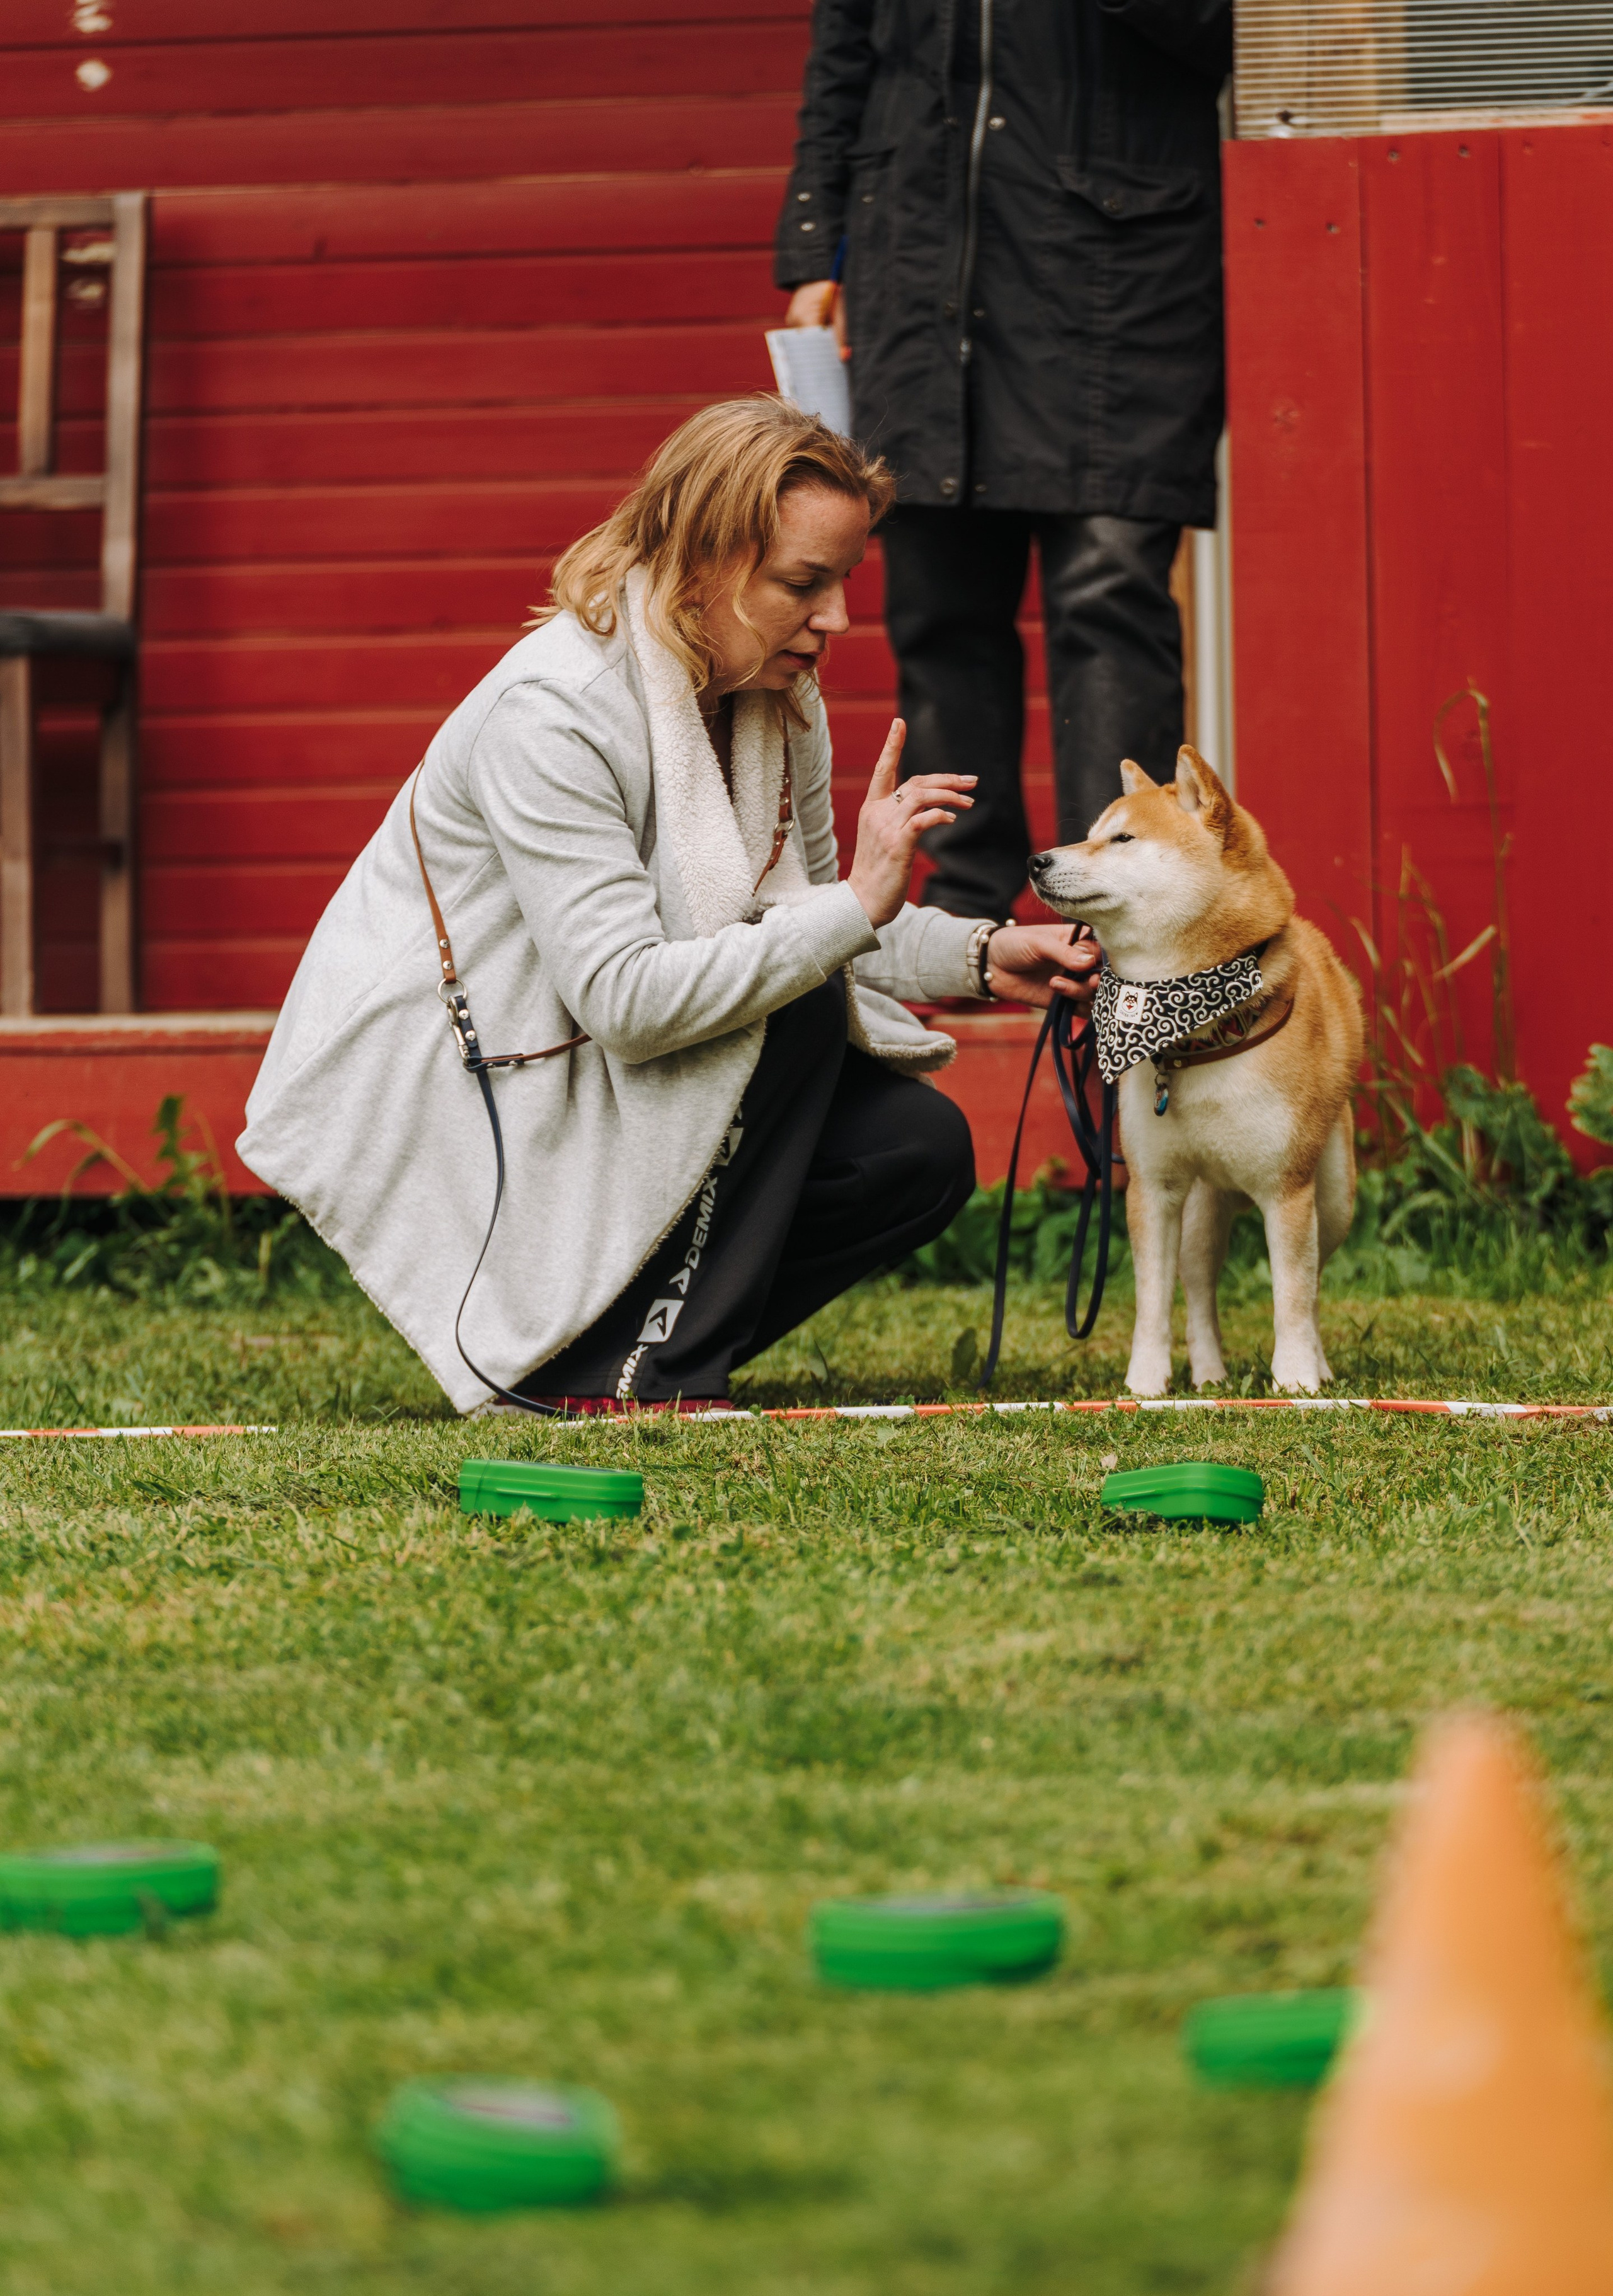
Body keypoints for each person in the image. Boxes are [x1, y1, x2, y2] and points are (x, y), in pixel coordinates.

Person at [239, 398, 1094, 1416]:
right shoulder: (553, 713)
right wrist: (853, 904)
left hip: (598, 1057)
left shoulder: (775, 697)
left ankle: (608, 1358)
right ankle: (640, 1372)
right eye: (802, 584)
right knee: (797, 1007)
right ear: (702, 563)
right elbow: (631, 1001)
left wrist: (985, 955)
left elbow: (824, 922)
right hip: (469, 1083)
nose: (836, 620)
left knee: (914, 1149)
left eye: (845, 582)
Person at [775, 0, 1231, 921]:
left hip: (1117, 273)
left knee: (1108, 598)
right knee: (939, 605)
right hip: (917, 268)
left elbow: (1221, 34)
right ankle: (969, 908)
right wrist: (816, 250)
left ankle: (1118, 906)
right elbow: (844, 54)